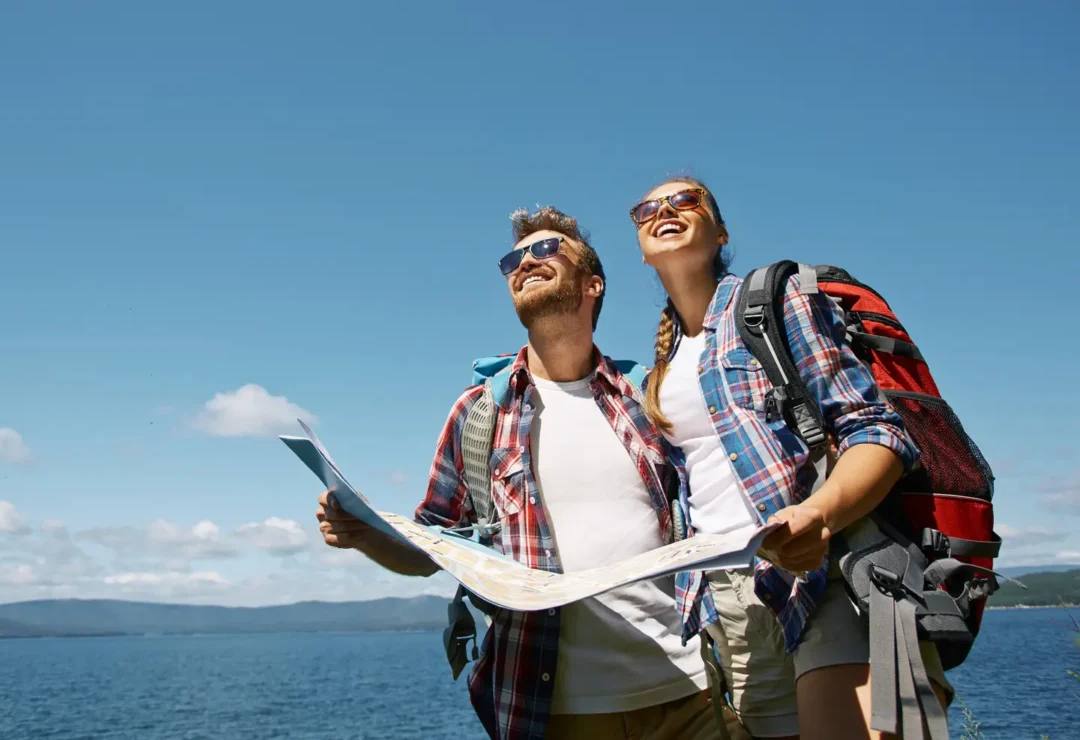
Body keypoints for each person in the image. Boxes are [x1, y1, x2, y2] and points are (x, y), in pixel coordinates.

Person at [316, 206, 748, 740]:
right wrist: (364, 535)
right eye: (513, 259)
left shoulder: (652, 397)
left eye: (545, 250)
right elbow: (431, 550)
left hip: (690, 697)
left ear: (593, 285)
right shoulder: (478, 415)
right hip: (553, 713)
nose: (524, 263)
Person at [630, 177, 952, 740]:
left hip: (826, 575)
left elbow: (877, 430)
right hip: (728, 601)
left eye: (686, 200)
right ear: (640, 246)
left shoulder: (772, 303)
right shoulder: (658, 371)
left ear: (721, 230)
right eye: (648, 208)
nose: (666, 211)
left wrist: (820, 514)